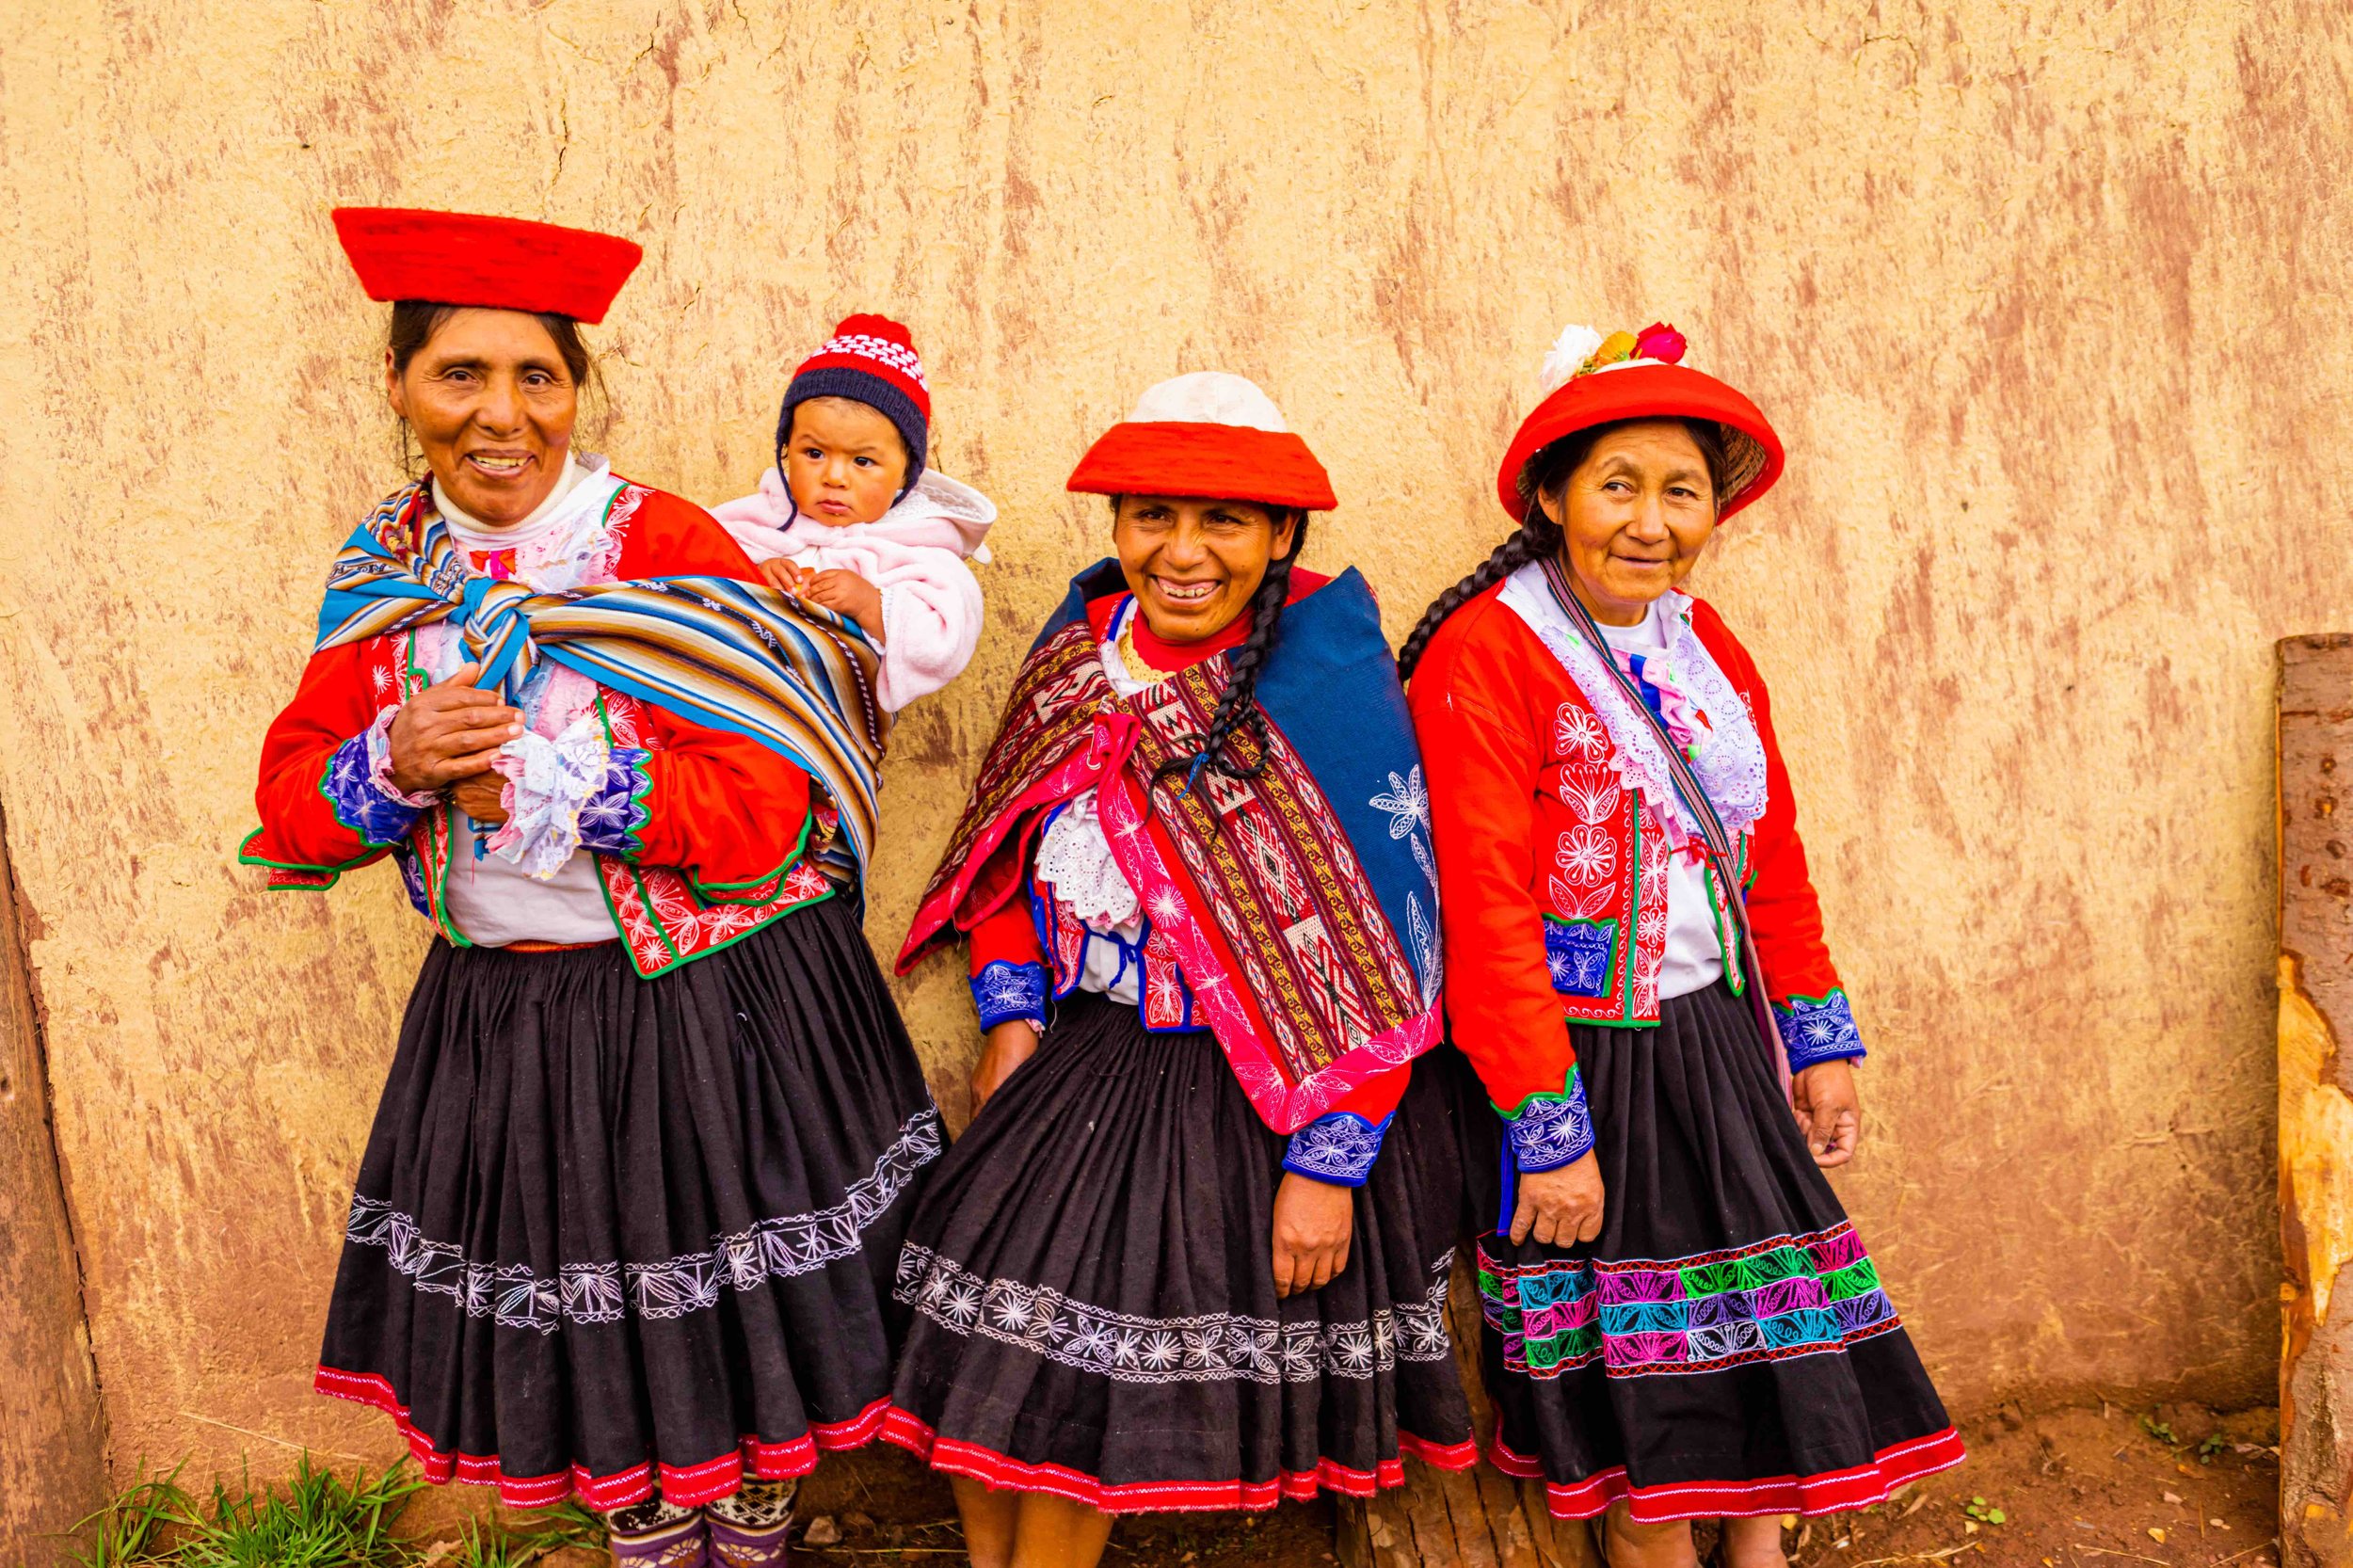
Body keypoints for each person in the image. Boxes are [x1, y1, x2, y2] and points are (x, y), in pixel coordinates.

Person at [242, 207, 941, 1567]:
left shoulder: (661, 541)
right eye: (460, 375)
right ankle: (644, 1541)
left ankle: (750, 1538)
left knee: (741, 1347)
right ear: (398, 389)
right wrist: (391, 763)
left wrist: (581, 786)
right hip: (508, 1025)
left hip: (709, 1008)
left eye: (538, 378)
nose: (502, 415)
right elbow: (291, 812)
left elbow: (765, 806)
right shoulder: (384, 571)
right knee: (591, 1344)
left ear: (575, 393)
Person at [883, 374, 1476, 1567]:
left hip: (1254, 1099)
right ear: (1118, 527)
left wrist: (1328, 1162)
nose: (1184, 551)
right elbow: (1007, 855)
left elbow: (1389, 941)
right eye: (1153, 514)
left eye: (1225, 521)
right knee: (977, 1390)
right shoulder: (1078, 657)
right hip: (1081, 1070)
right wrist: (1011, 1018)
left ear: (1279, 537)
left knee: (1070, 1423)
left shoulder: (1323, 686)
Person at [1400, 325, 1961, 1566]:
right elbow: (1484, 903)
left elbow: (1776, 859)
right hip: (1579, 1060)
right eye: (1617, 485)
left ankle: (1756, 1556)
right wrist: (1548, 1125)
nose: (1648, 521)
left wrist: (1820, 1041)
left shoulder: (1708, 650)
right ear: (1552, 496)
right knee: (1640, 1373)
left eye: (1680, 490)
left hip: (1718, 1042)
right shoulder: (1489, 651)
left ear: (1715, 509)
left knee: (1763, 1327)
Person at [712, 313, 997, 713]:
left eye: (862, 461)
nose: (834, 477)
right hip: (728, 704)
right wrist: (753, 573)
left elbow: (944, 641)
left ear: (906, 474)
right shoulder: (753, 522)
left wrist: (871, 605)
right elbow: (693, 576)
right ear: (786, 449)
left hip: (830, 728)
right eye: (813, 453)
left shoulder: (922, 552)